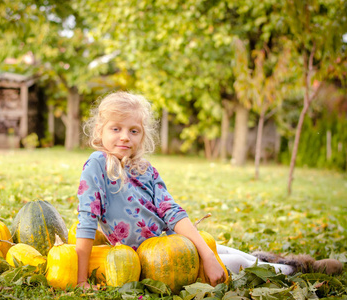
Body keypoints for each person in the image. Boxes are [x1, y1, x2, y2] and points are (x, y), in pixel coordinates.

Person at [74, 91, 341, 289]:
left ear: (142, 136)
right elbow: (87, 222)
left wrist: (205, 253)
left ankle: (293, 262)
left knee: (226, 253)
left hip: (176, 242)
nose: (124, 137)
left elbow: (172, 213)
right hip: (152, 262)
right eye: (116, 129)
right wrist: (81, 280)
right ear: (100, 131)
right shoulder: (98, 166)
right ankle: (294, 269)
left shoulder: (145, 169)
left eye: (134, 131)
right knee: (238, 266)